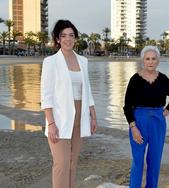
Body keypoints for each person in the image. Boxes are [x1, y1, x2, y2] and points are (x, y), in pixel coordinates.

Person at [40, 20, 97, 188]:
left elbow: (87, 91)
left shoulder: (83, 61)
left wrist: (93, 117)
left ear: (75, 38)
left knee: (73, 162)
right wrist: (50, 123)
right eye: (63, 35)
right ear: (57, 39)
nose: (68, 39)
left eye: (71, 35)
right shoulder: (50, 62)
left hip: (80, 116)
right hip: (59, 118)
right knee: (61, 163)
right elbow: (46, 96)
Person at [123, 46, 169, 188]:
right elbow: (127, 106)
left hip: (157, 122)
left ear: (158, 61)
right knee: (138, 161)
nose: (150, 62)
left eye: (153, 59)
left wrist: (168, 110)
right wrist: (133, 127)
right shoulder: (135, 80)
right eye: (147, 59)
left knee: (154, 161)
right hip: (138, 122)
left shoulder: (163, 79)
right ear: (143, 60)